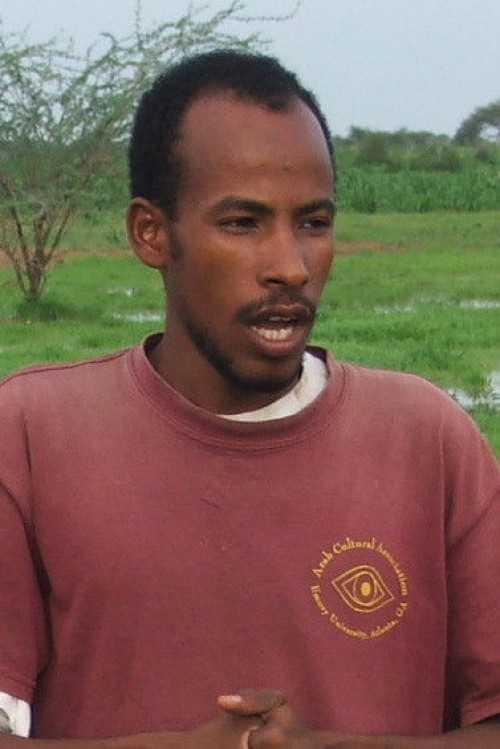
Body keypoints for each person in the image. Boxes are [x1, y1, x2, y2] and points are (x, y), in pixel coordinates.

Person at [0, 49, 499, 749]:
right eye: (242, 222)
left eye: (314, 223)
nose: (290, 266)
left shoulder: (428, 441)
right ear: (151, 232)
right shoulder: (33, 434)